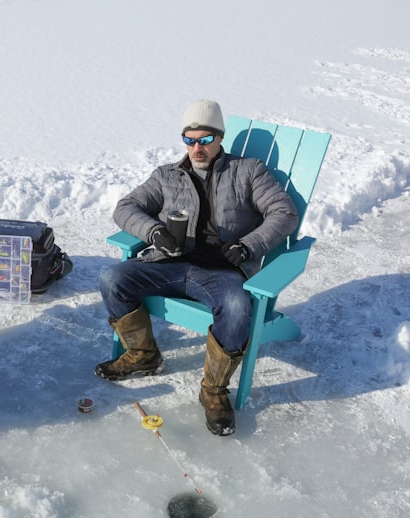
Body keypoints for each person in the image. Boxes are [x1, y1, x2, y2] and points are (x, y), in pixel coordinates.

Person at [95, 100, 298, 436]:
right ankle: (142, 354)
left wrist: (248, 245)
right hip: (169, 265)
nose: (196, 148)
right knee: (112, 278)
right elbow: (125, 208)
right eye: (189, 140)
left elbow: (284, 213)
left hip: (222, 273)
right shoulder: (166, 176)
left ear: (219, 138)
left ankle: (214, 391)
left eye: (205, 140)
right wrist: (154, 232)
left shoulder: (249, 171)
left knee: (236, 306)